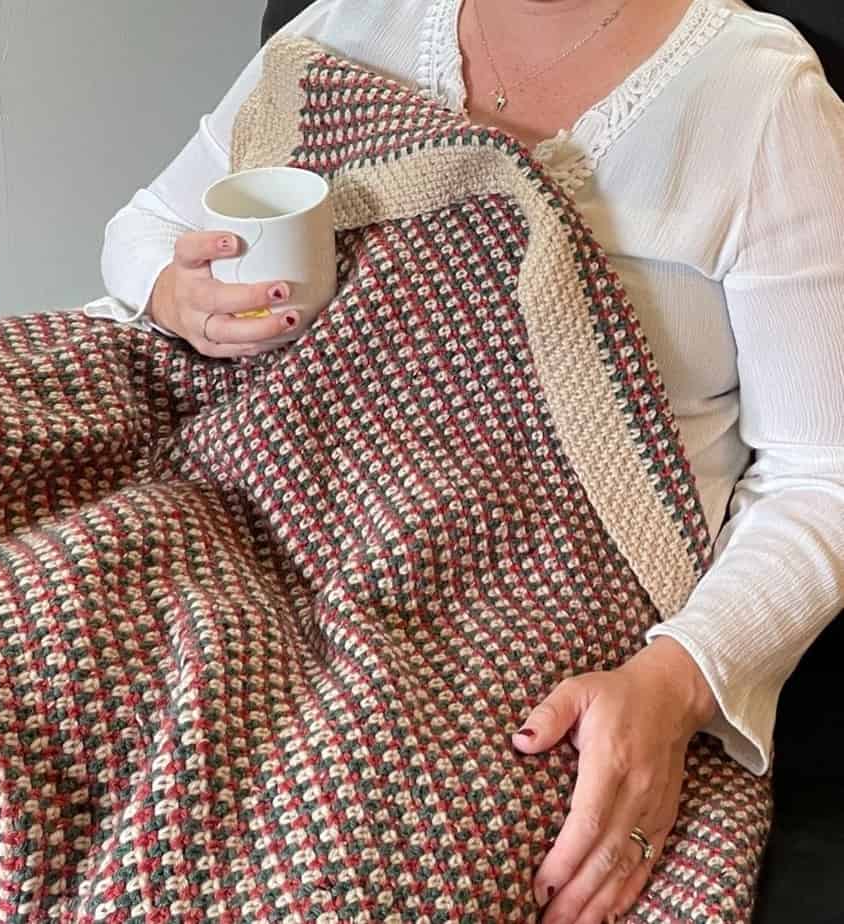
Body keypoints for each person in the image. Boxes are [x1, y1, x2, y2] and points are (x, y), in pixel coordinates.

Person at [93, 0, 844, 920]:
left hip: (530, 599)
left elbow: (821, 475)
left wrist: (678, 681)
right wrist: (175, 292)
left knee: (331, 869)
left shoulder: (758, 95)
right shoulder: (344, 25)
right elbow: (143, 229)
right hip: (264, 512)